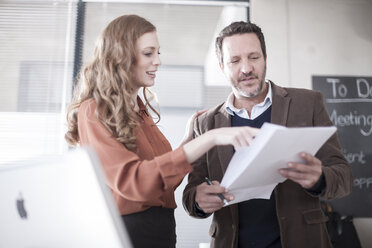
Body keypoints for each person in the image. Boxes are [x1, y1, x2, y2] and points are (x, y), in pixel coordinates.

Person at [65, 15, 258, 248]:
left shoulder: (139, 109)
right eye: (148, 53)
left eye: (158, 52)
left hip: (161, 233)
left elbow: (160, 181)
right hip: (127, 235)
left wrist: (189, 138)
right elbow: (135, 183)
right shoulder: (94, 111)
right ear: (121, 57)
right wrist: (209, 138)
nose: (157, 61)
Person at [182, 21, 353, 248]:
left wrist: (319, 178)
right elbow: (190, 194)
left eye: (253, 57)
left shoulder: (308, 103)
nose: (246, 68)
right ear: (222, 66)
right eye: (235, 60)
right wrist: (197, 200)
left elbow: (344, 178)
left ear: (265, 58)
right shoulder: (205, 123)